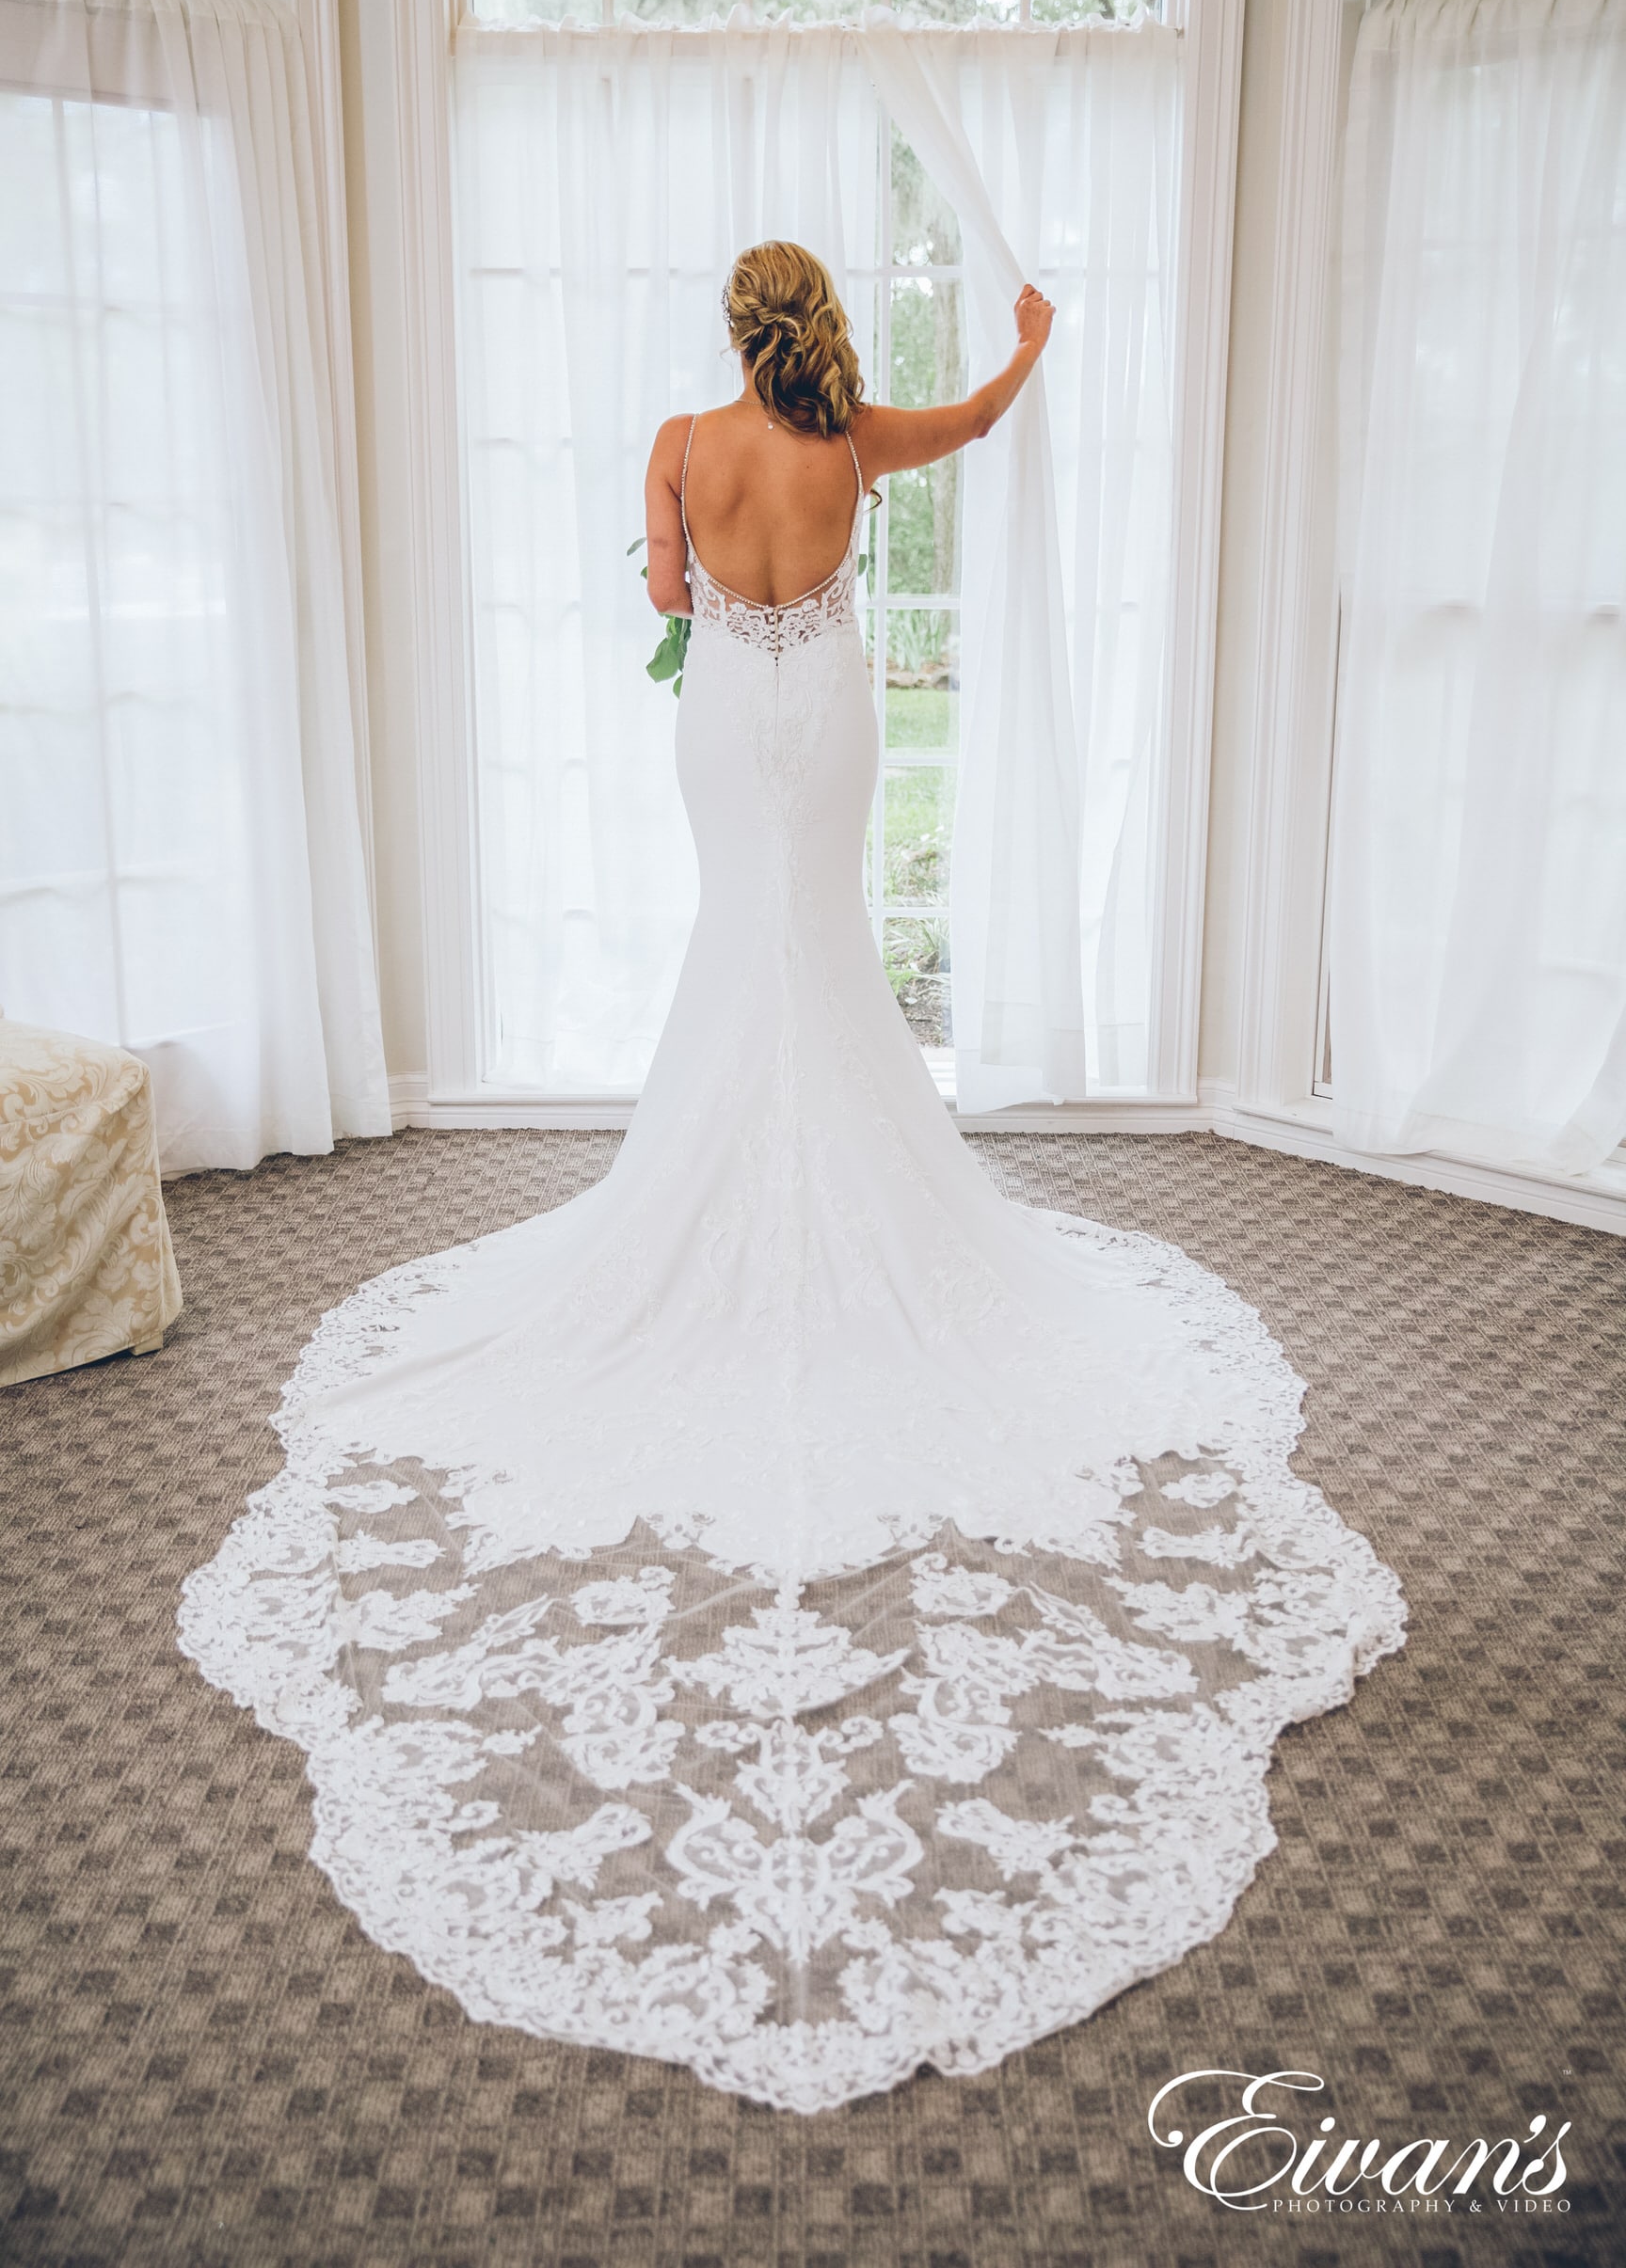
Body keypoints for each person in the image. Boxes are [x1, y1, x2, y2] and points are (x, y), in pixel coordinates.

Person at [182, 241, 1404, 2116]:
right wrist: (1030, 346)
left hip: (714, 726)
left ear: (724, 336)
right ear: (816, 330)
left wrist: (664, 581)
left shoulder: (683, 442)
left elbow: (663, 595)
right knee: (816, 946)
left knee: (737, 944)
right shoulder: (859, 445)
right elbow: (986, 423)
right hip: (828, 725)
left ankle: (725, 1207)